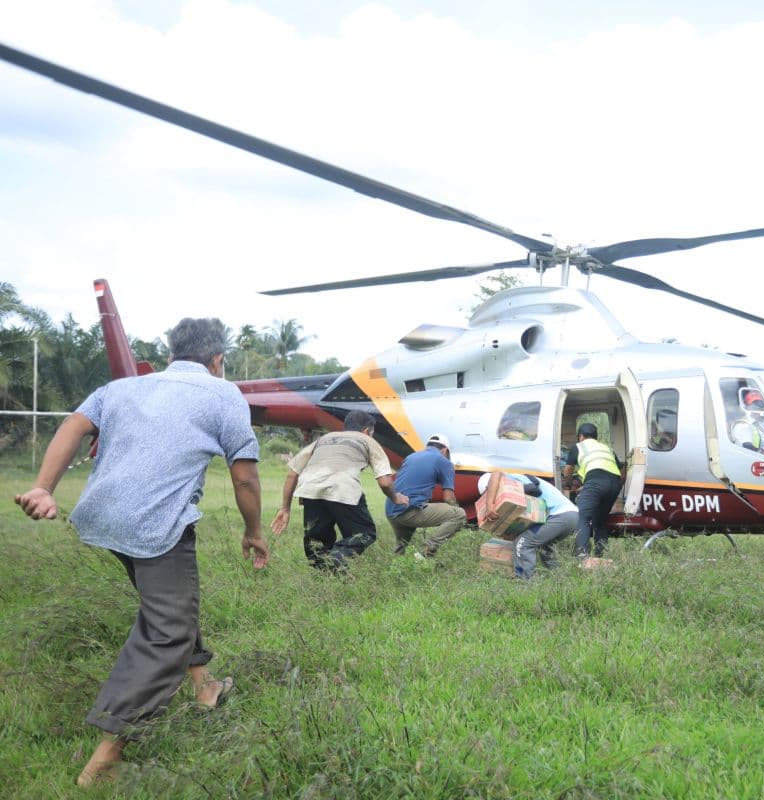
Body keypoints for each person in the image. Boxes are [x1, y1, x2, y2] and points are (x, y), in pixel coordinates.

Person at [13, 317, 267, 787]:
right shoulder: (222, 392)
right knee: (168, 627)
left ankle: (205, 686)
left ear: (170, 355)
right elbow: (246, 476)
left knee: (168, 603)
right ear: (217, 360)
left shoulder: (122, 388)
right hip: (155, 523)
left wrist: (43, 487)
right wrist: (255, 531)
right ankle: (105, 758)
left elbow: (74, 424)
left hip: (102, 517)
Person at [270, 410, 404, 570]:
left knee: (317, 543)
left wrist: (285, 508)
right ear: (367, 431)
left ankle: (325, 577)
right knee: (364, 533)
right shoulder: (369, 441)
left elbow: (292, 474)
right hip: (343, 486)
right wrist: (395, 498)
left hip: (311, 490)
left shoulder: (324, 439)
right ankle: (336, 560)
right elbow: (385, 482)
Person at [478, 472, 578, 579]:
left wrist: (489, 505)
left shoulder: (507, 479)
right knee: (544, 546)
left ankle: (524, 581)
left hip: (560, 515)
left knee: (524, 542)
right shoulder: (520, 483)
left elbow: (495, 474)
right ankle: (557, 578)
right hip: (571, 516)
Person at [386, 434, 466, 559]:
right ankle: (424, 553)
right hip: (408, 511)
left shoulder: (411, 456)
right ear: (444, 450)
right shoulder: (443, 461)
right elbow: (448, 498)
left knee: (402, 545)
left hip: (391, 509)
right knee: (459, 514)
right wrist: (456, 518)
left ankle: (397, 563)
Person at [562, 422, 623, 557]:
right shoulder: (607, 448)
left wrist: (569, 484)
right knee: (600, 520)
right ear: (596, 436)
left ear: (581, 436)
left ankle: (582, 554)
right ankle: (600, 554)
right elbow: (620, 469)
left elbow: (567, 471)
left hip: (596, 482)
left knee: (582, 516)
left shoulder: (579, 447)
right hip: (614, 483)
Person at [730, 388, 764, 456]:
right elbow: (747, 446)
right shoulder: (742, 424)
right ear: (747, 407)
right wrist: (763, 453)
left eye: (760, 404)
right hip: (761, 459)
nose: (757, 407)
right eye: (753, 404)